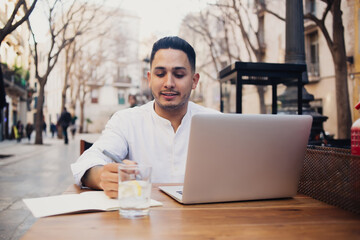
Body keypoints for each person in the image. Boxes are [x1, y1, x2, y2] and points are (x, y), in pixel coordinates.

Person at [71, 36, 219, 198]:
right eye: (160, 74)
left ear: (194, 80)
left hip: (204, 218)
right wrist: (102, 177)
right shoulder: (126, 121)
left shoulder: (217, 123)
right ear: (149, 79)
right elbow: (87, 161)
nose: (169, 83)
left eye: (178, 74)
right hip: (142, 216)